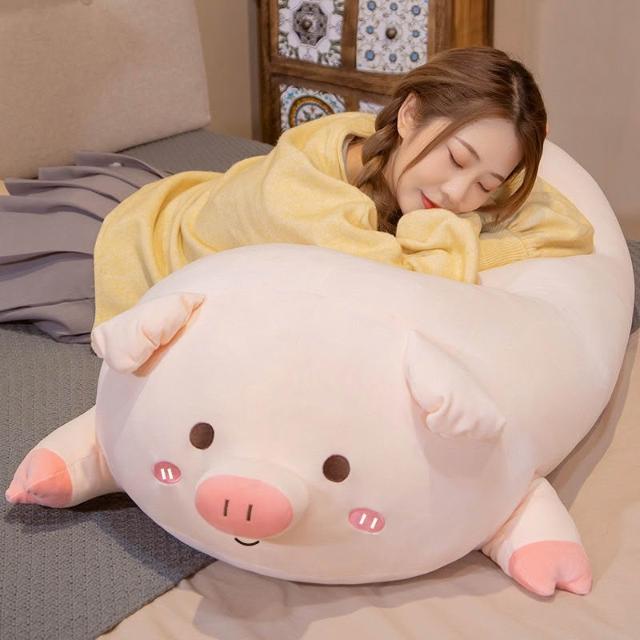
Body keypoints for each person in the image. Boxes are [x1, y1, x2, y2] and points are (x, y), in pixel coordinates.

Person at [0, 46, 593, 344]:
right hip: (115, 250)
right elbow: (416, 289)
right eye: (457, 160)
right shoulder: (309, 201)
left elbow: (568, 226)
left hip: (171, 200)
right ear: (411, 114)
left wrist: (494, 182)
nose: (461, 194)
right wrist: (459, 229)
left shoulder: (373, 145)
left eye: (487, 185)